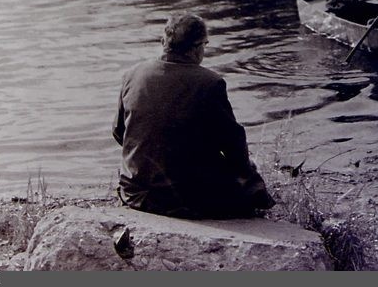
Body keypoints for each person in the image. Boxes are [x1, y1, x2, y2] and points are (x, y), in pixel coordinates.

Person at [112, 13, 275, 219]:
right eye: (205, 44)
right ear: (196, 48)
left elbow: (119, 132)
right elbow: (232, 146)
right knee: (243, 180)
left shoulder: (132, 74)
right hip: (183, 200)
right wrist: (250, 180)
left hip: (135, 192)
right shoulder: (210, 83)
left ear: (163, 42)